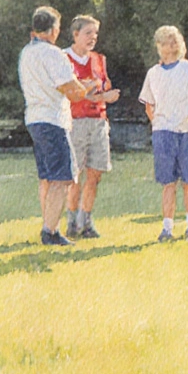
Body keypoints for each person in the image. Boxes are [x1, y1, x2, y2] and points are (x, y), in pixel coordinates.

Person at [17, 6, 90, 246]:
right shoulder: (53, 54)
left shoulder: (27, 52)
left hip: (34, 118)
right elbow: (71, 92)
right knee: (64, 177)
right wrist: (88, 87)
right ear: (54, 29)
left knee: (47, 176)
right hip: (53, 120)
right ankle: (50, 230)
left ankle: (49, 226)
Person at [139, 26, 188, 242]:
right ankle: (167, 228)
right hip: (163, 133)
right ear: (159, 46)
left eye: (173, 40)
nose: (170, 45)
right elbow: (148, 104)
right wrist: (158, 124)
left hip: (185, 131)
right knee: (168, 182)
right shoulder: (153, 73)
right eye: (165, 41)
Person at [63, 14, 120, 240]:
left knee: (95, 173)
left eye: (95, 34)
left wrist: (102, 95)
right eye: (88, 33)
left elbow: (102, 86)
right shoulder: (64, 58)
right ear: (75, 34)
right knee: (74, 174)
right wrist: (92, 93)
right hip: (75, 122)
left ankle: (86, 220)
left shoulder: (99, 59)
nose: (93, 38)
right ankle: (71, 220)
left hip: (98, 122)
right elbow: (71, 93)